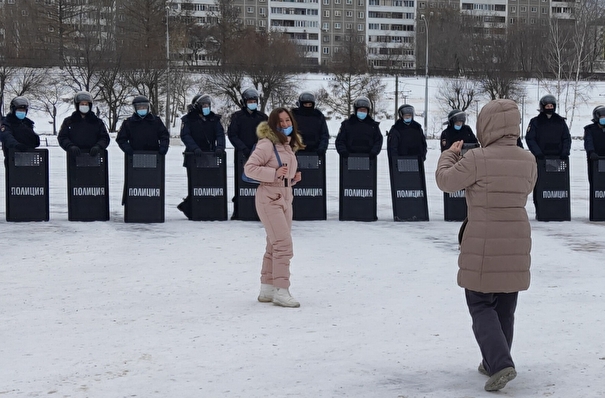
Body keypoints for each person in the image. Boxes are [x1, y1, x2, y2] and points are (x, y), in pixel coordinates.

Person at [435, 99, 537, 392]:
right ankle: (493, 360)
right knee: (505, 303)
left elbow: (446, 182)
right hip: (517, 238)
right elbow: (527, 187)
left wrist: (448, 156)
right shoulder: (528, 159)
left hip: (483, 238)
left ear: (485, 125)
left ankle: (501, 362)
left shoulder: (477, 158)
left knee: (480, 303)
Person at [243, 108, 305, 308]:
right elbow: (249, 168)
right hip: (269, 198)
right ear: (273, 124)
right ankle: (281, 290)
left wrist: (291, 179)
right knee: (283, 245)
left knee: (274, 245)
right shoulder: (266, 144)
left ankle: (267, 288)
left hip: (285, 197)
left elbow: (281, 175)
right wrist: (275, 173)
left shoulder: (287, 145)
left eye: (288, 120)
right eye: (281, 122)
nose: (286, 125)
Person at [177, 94, 226, 218]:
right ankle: (191, 207)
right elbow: (185, 135)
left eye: (208, 105)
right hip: (193, 156)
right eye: (204, 105)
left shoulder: (214, 119)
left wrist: (220, 147)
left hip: (211, 157)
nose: (206, 107)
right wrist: (194, 148)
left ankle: (209, 207)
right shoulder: (188, 119)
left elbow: (220, 134)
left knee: (210, 183)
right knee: (195, 183)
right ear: (197, 106)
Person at [227, 87, 268, 219]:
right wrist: (243, 148)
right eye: (250, 101)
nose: (252, 103)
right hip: (242, 154)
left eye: (254, 101)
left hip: (260, 155)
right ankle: (239, 210)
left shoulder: (263, 117)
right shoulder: (237, 117)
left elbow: (268, 135)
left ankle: (261, 210)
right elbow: (232, 135)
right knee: (241, 183)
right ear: (244, 102)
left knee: (260, 184)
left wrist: (260, 149)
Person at [58, 91, 110, 158]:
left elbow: (104, 138)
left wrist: (98, 146)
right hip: (74, 157)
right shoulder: (69, 121)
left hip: (94, 156)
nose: (84, 106)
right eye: (82, 104)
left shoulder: (97, 122)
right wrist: (70, 146)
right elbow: (62, 137)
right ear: (77, 105)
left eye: (86, 104)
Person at [525, 94, 571, 161]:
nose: (549, 108)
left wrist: (565, 152)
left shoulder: (560, 121)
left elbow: (566, 138)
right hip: (541, 158)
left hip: (558, 157)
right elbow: (530, 138)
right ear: (543, 107)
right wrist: (537, 153)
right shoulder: (535, 121)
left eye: (551, 106)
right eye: (547, 106)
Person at [1, 96, 40, 166]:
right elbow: (6, 137)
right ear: (13, 110)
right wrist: (17, 145)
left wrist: (35, 139)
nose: (22, 112)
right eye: (19, 110)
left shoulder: (27, 123)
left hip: (29, 159)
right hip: (13, 159)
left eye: (23, 110)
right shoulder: (6, 123)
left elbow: (32, 137)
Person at [291, 92, 330, 156]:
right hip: (296, 150)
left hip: (315, 151)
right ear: (300, 104)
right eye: (305, 104)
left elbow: (324, 134)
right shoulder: (293, 115)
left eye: (310, 104)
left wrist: (322, 148)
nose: (307, 106)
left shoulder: (318, 116)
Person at [583, 105, 605, 188]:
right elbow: (588, 142)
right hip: (595, 159)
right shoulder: (590, 129)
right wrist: (591, 152)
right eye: (602, 117)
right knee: (596, 183)